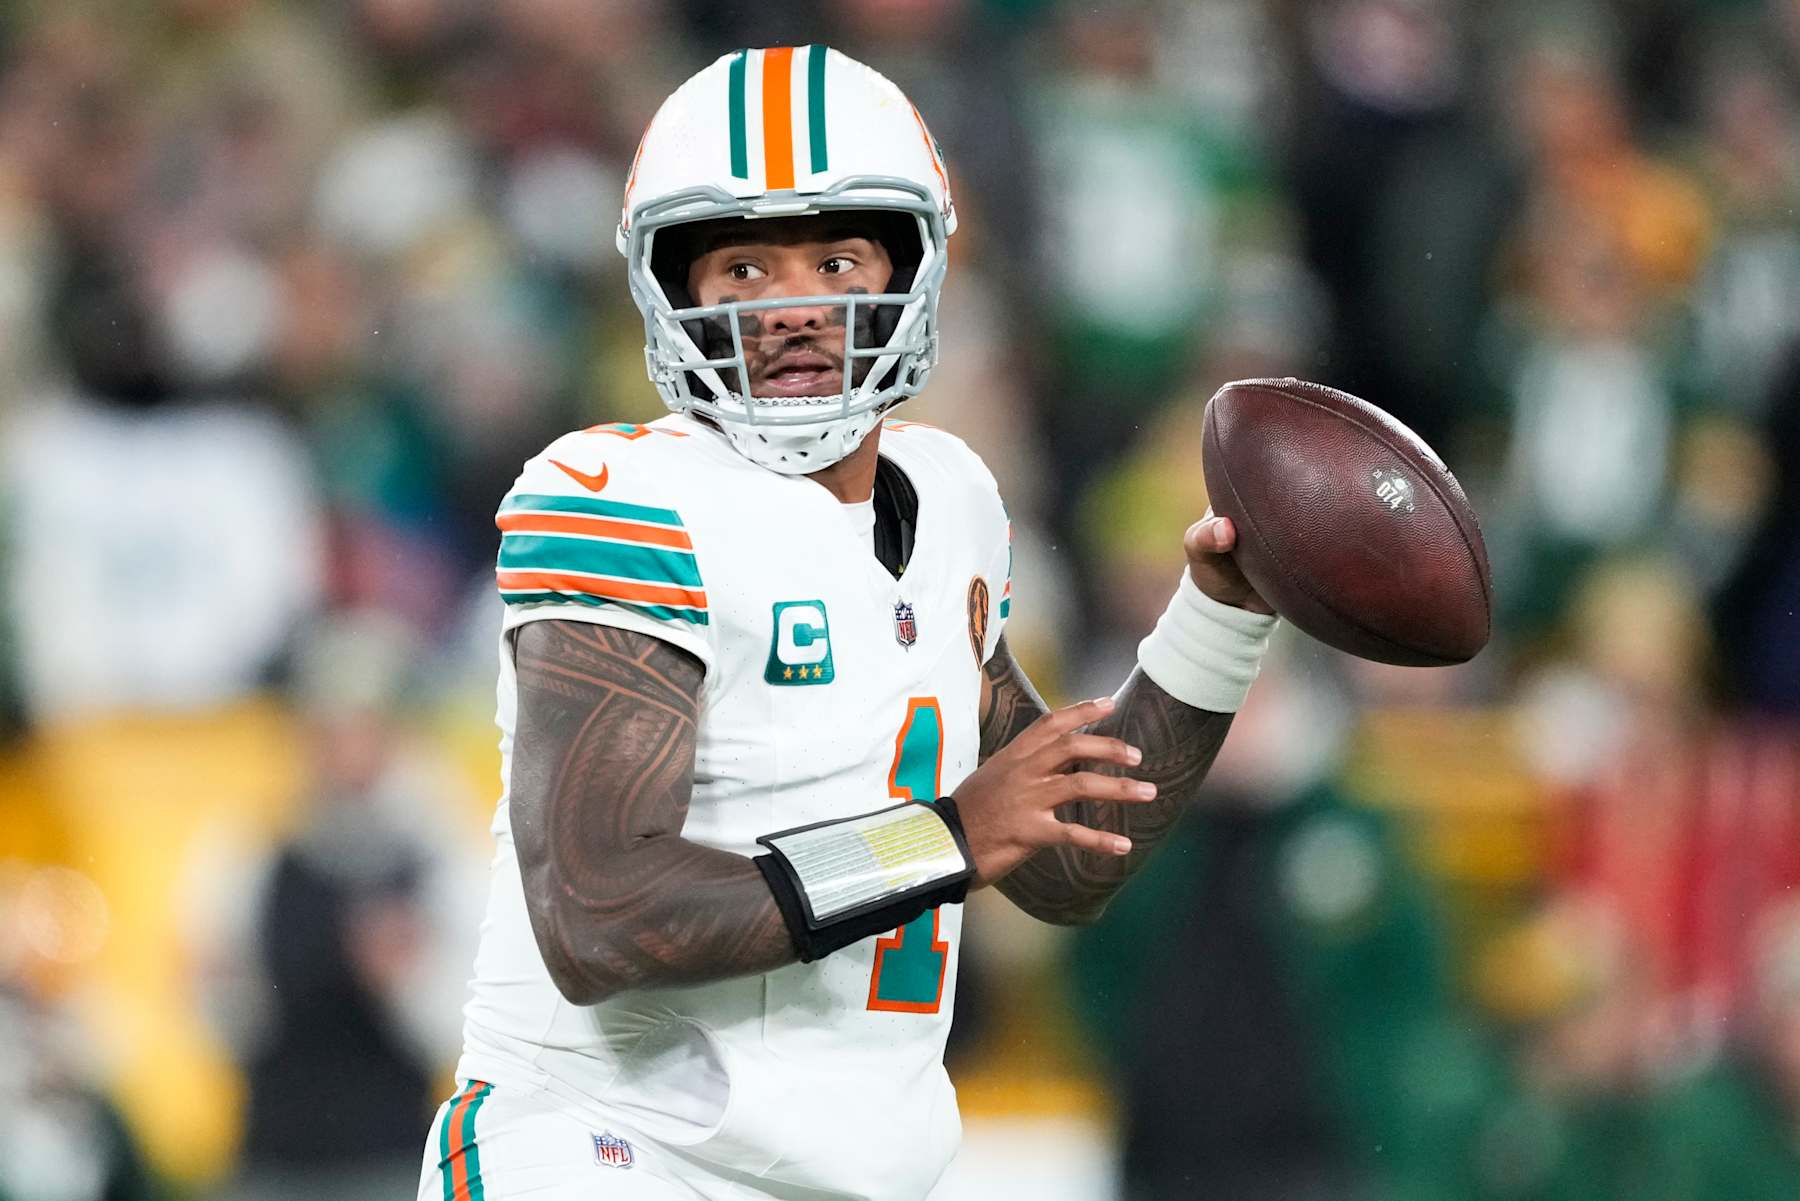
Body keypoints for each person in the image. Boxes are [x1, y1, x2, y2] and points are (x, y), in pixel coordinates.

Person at [420, 46, 1277, 1201]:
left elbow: (1067, 862)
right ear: (675, 290)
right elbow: (599, 916)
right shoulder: (619, 495)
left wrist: (1217, 622)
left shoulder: (954, 498)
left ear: (912, 269)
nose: (792, 309)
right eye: (741, 266)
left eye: (834, 257)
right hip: (605, 1152)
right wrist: (943, 839)